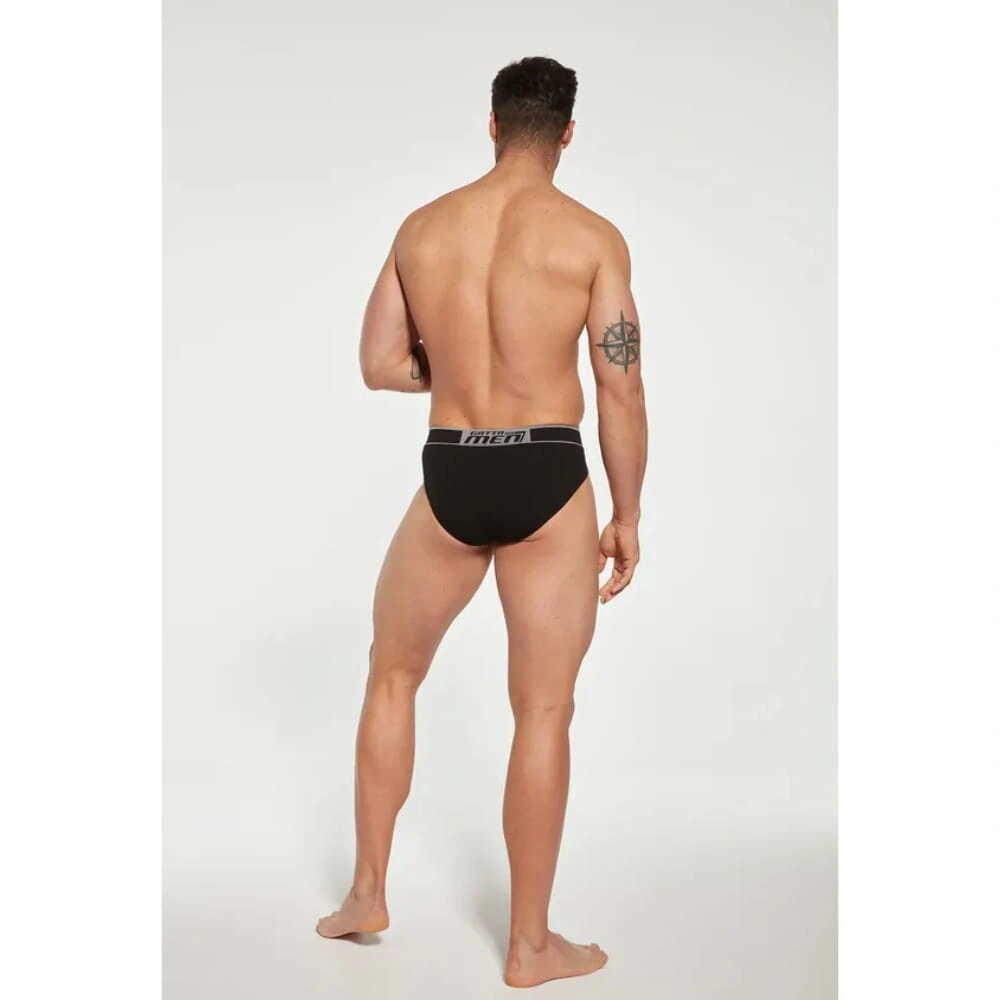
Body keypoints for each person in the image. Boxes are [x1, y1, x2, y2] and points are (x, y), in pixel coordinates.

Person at [316, 55, 647, 989]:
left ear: (493, 125)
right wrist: (626, 513)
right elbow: (620, 386)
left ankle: (366, 893)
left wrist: (455, 372)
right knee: (542, 709)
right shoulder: (592, 239)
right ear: (567, 133)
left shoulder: (424, 228)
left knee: (392, 673)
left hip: (452, 468)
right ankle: (530, 946)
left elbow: (380, 362)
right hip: (548, 471)